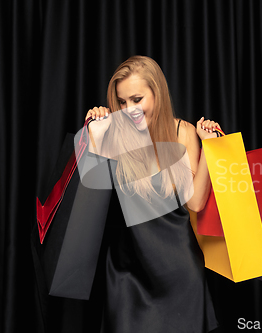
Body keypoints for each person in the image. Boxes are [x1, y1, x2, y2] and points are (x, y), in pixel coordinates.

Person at [83, 55, 221, 332]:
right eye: (122, 102)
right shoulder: (113, 134)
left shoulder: (183, 132)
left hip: (179, 274)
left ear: (157, 94)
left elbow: (195, 201)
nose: (129, 109)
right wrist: (92, 136)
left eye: (136, 99)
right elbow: (91, 200)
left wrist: (209, 148)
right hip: (127, 275)